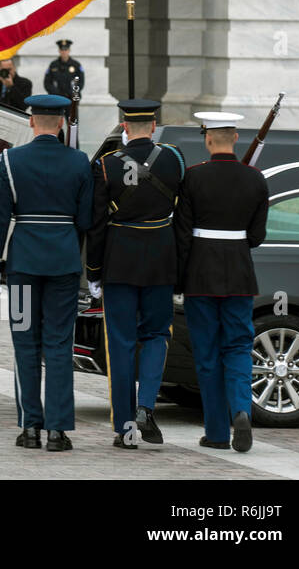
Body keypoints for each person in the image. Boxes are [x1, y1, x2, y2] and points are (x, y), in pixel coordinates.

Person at [0, 94, 92, 451]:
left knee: (24, 344)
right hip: (62, 263)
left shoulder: (10, 160)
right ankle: (58, 431)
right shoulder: (79, 162)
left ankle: (29, 427)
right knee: (59, 345)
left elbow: (0, 218)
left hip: (22, 266)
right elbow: (86, 220)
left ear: (31, 121)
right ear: (61, 123)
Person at [86, 99, 185, 449]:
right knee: (157, 335)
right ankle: (146, 407)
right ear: (154, 126)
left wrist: (93, 272)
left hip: (120, 262)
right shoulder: (174, 159)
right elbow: (183, 216)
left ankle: (126, 429)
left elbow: (96, 226)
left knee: (123, 344)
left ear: (125, 128)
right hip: (160, 259)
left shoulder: (106, 166)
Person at [175, 112, 268, 453]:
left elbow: (182, 236)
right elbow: (256, 236)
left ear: (208, 139)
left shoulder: (193, 178)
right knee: (239, 347)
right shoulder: (256, 179)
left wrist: (179, 279)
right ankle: (241, 409)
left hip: (201, 275)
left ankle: (216, 431)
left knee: (208, 353)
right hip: (240, 275)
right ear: (236, 138)